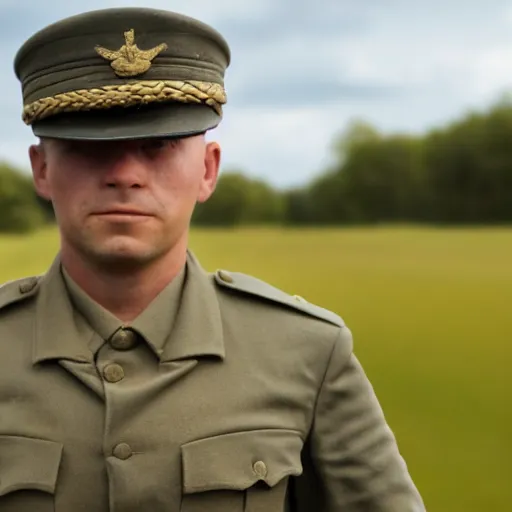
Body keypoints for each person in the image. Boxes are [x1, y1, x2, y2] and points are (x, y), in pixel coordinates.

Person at [0, 7, 426, 512]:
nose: (125, 174)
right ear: (42, 169)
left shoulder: (306, 351)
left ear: (207, 170)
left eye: (158, 145)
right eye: (92, 146)